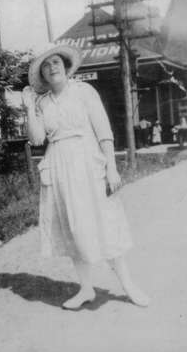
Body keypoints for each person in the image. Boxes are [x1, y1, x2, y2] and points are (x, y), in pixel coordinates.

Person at [22, 43, 149, 310]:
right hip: (58, 166)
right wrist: (28, 109)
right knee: (72, 228)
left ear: (65, 66)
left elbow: (103, 130)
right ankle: (86, 288)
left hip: (87, 162)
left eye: (56, 61)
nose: (52, 67)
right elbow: (36, 139)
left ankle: (128, 285)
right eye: (46, 65)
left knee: (104, 223)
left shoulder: (83, 91)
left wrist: (111, 167)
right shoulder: (42, 103)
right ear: (42, 75)